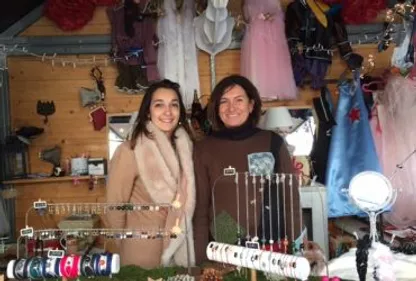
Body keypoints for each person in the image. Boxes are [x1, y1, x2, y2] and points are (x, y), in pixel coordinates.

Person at [193, 75, 301, 264]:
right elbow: (201, 209)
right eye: (224, 102)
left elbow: (290, 201)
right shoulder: (204, 148)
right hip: (224, 247)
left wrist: (297, 252)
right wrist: (202, 261)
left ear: (251, 105)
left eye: (239, 100)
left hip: (272, 246)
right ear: (216, 108)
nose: (231, 108)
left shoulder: (272, 142)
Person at [105, 79, 196, 268]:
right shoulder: (130, 150)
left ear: (180, 112)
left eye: (174, 105)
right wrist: (124, 240)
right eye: (159, 105)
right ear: (148, 111)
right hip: (141, 253)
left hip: (180, 246)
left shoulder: (187, 149)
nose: (168, 112)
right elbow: (115, 206)